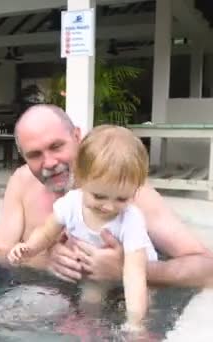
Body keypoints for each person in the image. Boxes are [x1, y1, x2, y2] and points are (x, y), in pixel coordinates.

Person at [0, 104, 213, 289]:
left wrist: (127, 269)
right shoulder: (21, 182)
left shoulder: (124, 194)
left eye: (56, 146)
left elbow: (205, 268)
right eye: (35, 155)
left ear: (77, 136)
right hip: (38, 294)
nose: (49, 163)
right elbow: (0, 251)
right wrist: (46, 260)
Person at [8, 125, 156, 333]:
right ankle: (88, 327)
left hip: (137, 269)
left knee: (146, 298)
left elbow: (135, 274)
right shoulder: (71, 204)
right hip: (96, 271)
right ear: (81, 179)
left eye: (122, 198)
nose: (109, 206)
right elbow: (47, 232)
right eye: (99, 196)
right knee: (90, 296)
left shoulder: (131, 220)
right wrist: (29, 248)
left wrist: (136, 325)